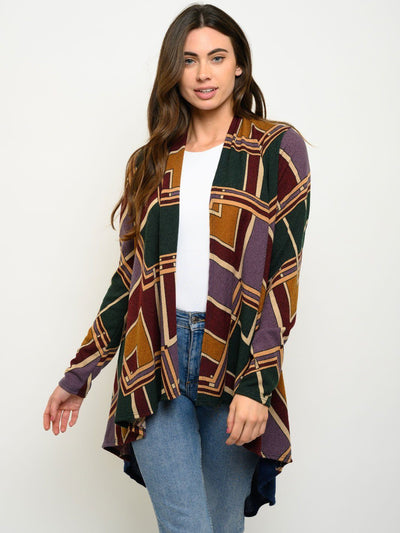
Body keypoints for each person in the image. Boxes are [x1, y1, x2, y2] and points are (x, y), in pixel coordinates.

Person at [43, 3, 311, 532]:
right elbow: (128, 279)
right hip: (154, 359)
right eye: (189, 60)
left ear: (239, 65)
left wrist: (257, 384)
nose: (203, 73)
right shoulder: (150, 161)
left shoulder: (276, 148)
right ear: (174, 69)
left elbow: (284, 276)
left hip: (234, 358)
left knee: (222, 527)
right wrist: (80, 374)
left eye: (217, 57)